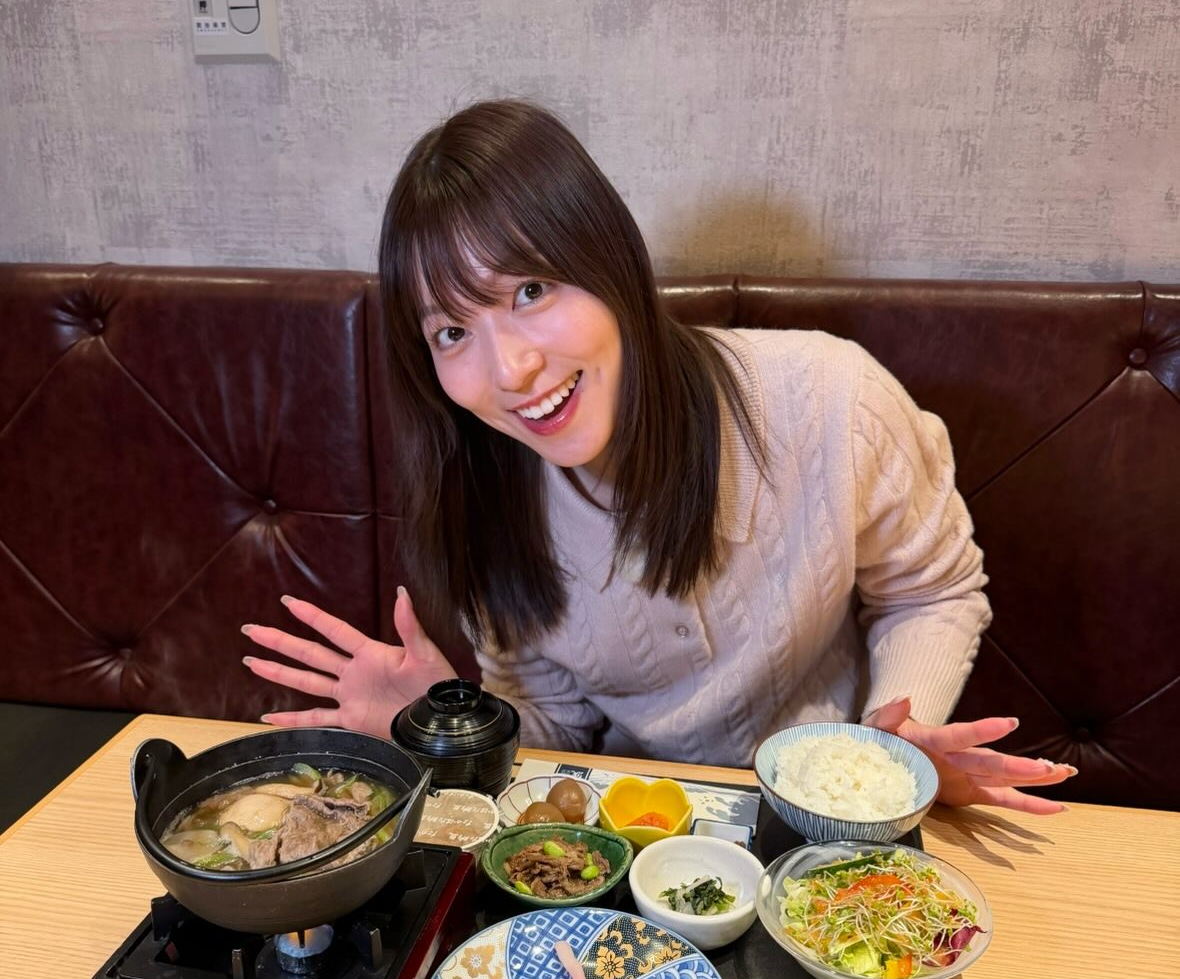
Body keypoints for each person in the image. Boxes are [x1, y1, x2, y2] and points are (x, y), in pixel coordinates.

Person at [242, 100, 1074, 815]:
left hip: (831, 825)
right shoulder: (487, 506)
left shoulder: (831, 401)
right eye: (453, 331)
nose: (511, 370)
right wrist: (444, 718)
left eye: (530, 290)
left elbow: (931, 588)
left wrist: (890, 749)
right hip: (637, 839)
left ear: (609, 258)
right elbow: (557, 729)